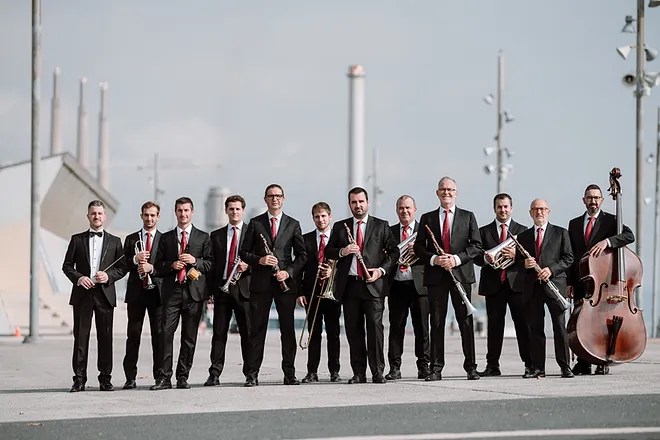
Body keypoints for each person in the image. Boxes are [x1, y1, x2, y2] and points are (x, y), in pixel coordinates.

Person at [325, 187, 399, 384]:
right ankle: (358, 372)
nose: (358, 206)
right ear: (349, 204)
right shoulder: (341, 227)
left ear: (368, 202)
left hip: (373, 285)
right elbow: (328, 251)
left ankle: (377, 372)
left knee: (375, 329)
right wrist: (343, 251)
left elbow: (394, 253)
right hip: (349, 286)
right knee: (353, 330)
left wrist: (380, 271)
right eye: (354, 202)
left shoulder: (382, 226)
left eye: (361, 202)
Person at [413, 177, 482, 381]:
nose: (447, 192)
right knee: (437, 322)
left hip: (460, 275)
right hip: (436, 276)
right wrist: (435, 259)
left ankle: (471, 367)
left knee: (465, 322)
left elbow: (476, 246)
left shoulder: (468, 217)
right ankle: (436, 368)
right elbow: (418, 247)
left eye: (450, 189)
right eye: (443, 189)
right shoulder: (427, 218)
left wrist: (455, 259)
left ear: (456, 193)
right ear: (437, 193)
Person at [239, 184, 307, 387]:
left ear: (283, 198)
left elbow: (302, 255)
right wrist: (260, 260)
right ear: (265, 199)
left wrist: (289, 272)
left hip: (284, 283)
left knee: (287, 331)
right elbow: (244, 252)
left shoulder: (293, 224)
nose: (275, 199)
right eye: (271, 196)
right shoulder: (255, 223)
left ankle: (289, 373)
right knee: (256, 330)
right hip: (260, 284)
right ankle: (252, 374)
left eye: (278, 196)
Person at [567, 184, 634, 376]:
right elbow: (571, 255)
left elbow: (630, 236)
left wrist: (608, 242)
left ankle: (602, 359)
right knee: (583, 321)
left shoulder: (611, 221)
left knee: (602, 322)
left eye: (596, 198)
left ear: (602, 200)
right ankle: (583, 361)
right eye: (589, 198)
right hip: (582, 279)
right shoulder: (574, 223)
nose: (593, 201)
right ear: (584, 200)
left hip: (604, 281)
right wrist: (570, 282)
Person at [62, 200, 126, 392]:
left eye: (100, 213)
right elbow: (66, 266)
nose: (96, 216)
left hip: (105, 295)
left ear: (104, 216)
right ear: (88, 216)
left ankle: (105, 379)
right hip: (82, 295)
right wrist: (79, 278)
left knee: (105, 338)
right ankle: (79, 379)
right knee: (81, 339)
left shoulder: (115, 242)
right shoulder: (76, 239)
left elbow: (122, 268)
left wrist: (108, 276)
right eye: (93, 213)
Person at [151, 197, 212, 390]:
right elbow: (157, 266)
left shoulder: (203, 237)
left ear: (192, 212)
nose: (183, 214)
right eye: (179, 210)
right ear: (175, 212)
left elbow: (210, 264)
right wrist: (171, 265)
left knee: (189, 337)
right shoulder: (166, 238)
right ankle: (164, 378)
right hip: (172, 293)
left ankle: (182, 377)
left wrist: (195, 260)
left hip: (194, 293)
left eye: (186, 210)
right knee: (165, 334)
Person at [474, 193, 532, 377]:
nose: (503, 210)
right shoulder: (483, 232)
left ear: (511, 208)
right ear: (494, 209)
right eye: (499, 207)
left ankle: (529, 364)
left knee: (523, 325)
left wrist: (516, 255)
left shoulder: (523, 231)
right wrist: (485, 257)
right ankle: (492, 366)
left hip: (517, 285)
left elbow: (531, 256)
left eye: (506, 206)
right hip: (494, 285)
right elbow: (475, 256)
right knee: (494, 327)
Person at [517, 198, 574, 379]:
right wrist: (524, 263)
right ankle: (538, 368)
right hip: (532, 288)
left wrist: (551, 270)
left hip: (554, 285)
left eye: (542, 209)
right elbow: (517, 263)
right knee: (535, 329)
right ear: (530, 213)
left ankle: (565, 367)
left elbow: (568, 258)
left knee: (559, 327)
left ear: (548, 211)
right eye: (535, 209)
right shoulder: (523, 237)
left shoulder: (560, 233)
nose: (539, 212)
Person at [204, 195, 252, 386]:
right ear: (226, 211)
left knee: (247, 334)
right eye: (231, 209)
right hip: (222, 290)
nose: (234, 212)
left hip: (244, 290)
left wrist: (248, 266)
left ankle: (250, 373)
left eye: (238, 209)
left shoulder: (252, 233)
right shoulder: (215, 235)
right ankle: (214, 373)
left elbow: (259, 261)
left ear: (243, 210)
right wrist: (209, 292)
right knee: (219, 333)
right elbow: (211, 265)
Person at [384, 195, 430, 381]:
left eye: (408, 208)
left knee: (422, 329)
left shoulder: (424, 231)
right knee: (396, 328)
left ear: (415, 209)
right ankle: (395, 368)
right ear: (397, 210)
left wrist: (418, 252)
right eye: (401, 208)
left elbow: (432, 255)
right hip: (397, 284)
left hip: (419, 285)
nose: (405, 211)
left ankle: (424, 367)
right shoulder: (389, 231)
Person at [297, 202, 342, 383]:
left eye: (323, 216)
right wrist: (300, 292)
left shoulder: (338, 239)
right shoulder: (306, 239)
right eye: (317, 216)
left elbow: (345, 266)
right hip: (312, 292)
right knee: (313, 333)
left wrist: (333, 273)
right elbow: (300, 267)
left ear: (330, 217)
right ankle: (312, 371)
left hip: (332, 293)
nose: (320, 219)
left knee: (333, 333)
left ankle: (334, 371)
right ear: (313, 218)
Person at [121, 201, 164, 390]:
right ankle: (130, 377)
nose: (149, 218)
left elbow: (166, 267)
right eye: (146, 215)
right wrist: (134, 259)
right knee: (133, 336)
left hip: (157, 294)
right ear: (141, 216)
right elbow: (122, 265)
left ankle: (159, 377)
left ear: (158, 217)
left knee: (158, 336)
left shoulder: (165, 239)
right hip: (136, 294)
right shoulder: (131, 239)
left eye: (153, 215)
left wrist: (152, 268)